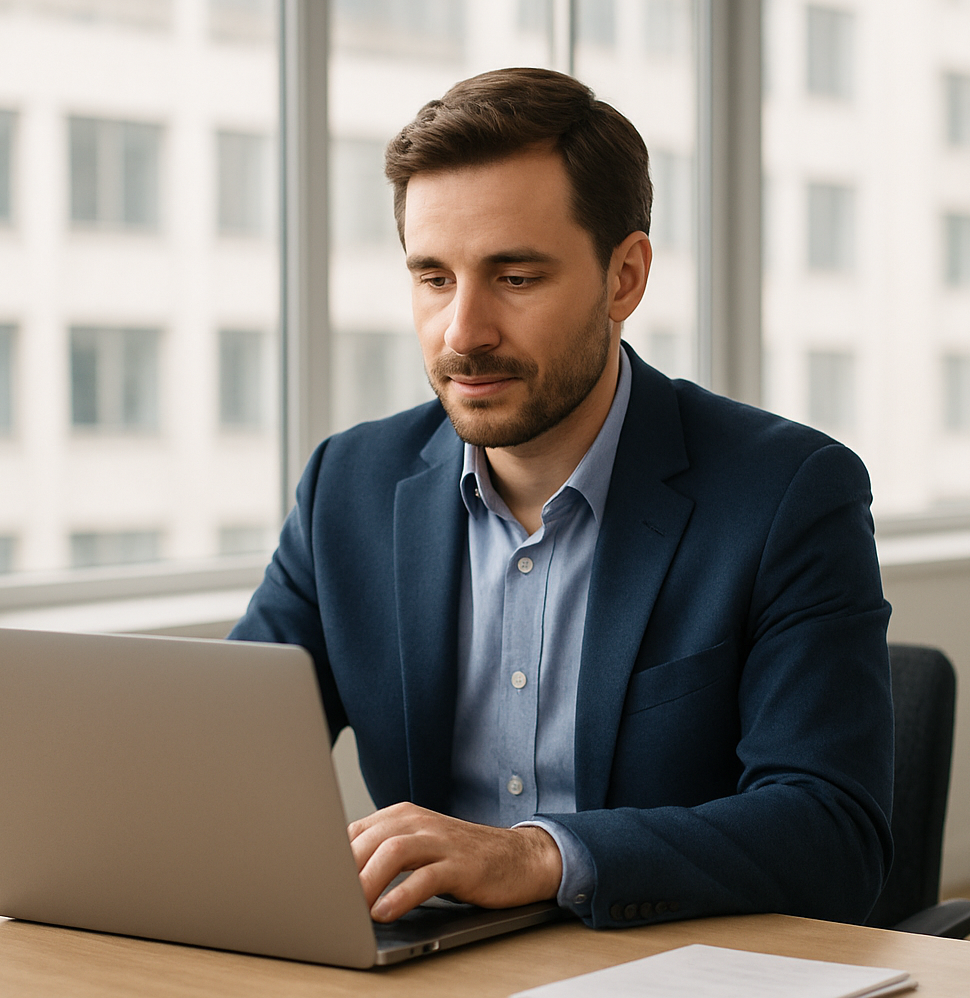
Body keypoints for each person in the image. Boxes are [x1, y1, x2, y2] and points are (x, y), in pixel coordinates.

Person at [230, 67, 894, 930]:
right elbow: (229, 763)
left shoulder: (787, 494)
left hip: (667, 969)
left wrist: (540, 855)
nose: (462, 333)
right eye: (434, 279)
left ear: (624, 276)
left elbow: (833, 833)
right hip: (433, 972)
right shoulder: (347, 489)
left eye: (515, 278)